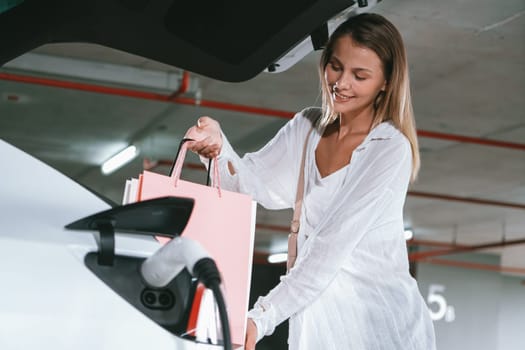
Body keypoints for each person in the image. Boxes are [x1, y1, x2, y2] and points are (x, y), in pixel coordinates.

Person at [185, 12, 436, 350]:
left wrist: (261, 317)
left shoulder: (389, 149)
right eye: (335, 66)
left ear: (386, 82)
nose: (341, 83)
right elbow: (247, 188)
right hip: (319, 330)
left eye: (360, 75)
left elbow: (329, 247)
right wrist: (217, 147)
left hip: (382, 331)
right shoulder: (306, 129)